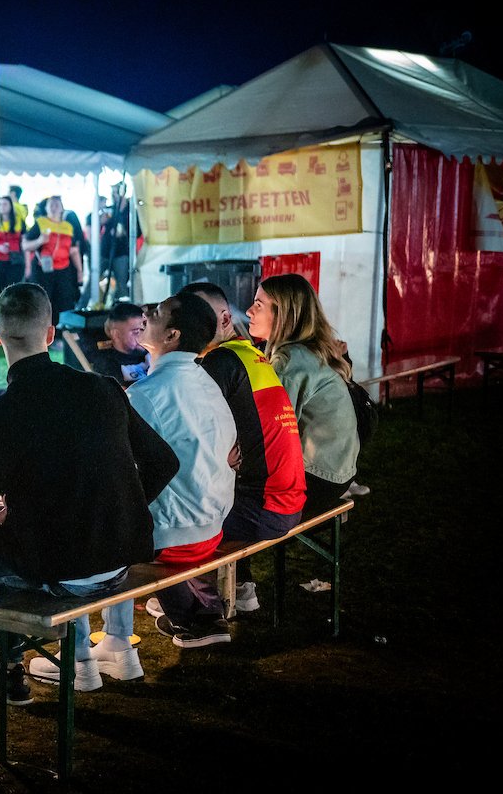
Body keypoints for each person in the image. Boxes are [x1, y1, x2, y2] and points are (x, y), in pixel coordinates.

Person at [0, 283, 178, 736]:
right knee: (10, 531)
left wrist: (7, 517)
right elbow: (165, 462)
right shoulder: (103, 389)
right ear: (50, 334)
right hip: (118, 560)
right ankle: (5, 671)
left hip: (59, 568)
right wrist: (118, 507)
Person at [178, 282, 306, 614]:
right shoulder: (250, 355)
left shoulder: (219, 362)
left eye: (199, 316)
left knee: (174, 519)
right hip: (288, 500)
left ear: (223, 319)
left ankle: (197, 612)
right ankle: (240, 586)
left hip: (265, 509)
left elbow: (188, 435)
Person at [126, 292, 236, 648]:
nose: (146, 313)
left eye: (156, 313)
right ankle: (200, 613)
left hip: (176, 539)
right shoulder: (205, 381)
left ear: (172, 336)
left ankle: (113, 643)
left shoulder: (146, 394)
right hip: (214, 523)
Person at [246, 274, 358, 513]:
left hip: (317, 478)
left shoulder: (290, 361)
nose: (248, 311)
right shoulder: (307, 350)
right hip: (337, 471)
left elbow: (273, 433)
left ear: (283, 314)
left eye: (258, 305)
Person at [22, 195, 83, 325]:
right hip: (43, 269)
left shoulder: (68, 226)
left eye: (57, 204)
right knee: (43, 302)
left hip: (63, 269)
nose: (54, 207)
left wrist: (79, 271)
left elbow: (73, 250)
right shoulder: (41, 223)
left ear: (62, 208)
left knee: (64, 302)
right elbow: (26, 245)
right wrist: (40, 241)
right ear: (46, 208)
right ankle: (42, 330)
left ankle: (61, 331)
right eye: (51, 204)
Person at [99, 302, 150, 386]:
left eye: (144, 330)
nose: (143, 337)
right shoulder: (107, 368)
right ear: (116, 335)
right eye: (136, 332)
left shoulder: (155, 352)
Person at [101, 181, 133, 304]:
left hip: (121, 252)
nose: (113, 195)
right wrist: (101, 221)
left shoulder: (130, 210)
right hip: (105, 250)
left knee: (121, 284)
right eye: (112, 192)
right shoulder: (110, 209)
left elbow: (138, 232)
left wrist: (124, 231)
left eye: (116, 192)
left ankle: (123, 308)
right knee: (94, 279)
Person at [0, 195, 26, 290]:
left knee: (14, 289)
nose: (2, 207)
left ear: (11, 206)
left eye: (5, 204)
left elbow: (24, 240)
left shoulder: (19, 221)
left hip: (16, 261)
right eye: (0, 204)